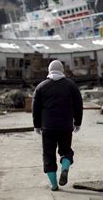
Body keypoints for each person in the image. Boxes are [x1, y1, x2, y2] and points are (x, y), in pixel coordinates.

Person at [32, 60, 83, 191]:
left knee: (48, 155)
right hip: (66, 126)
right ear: (62, 70)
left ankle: (54, 185)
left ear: (49, 70)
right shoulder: (71, 86)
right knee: (66, 150)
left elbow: (36, 109)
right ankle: (65, 168)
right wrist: (77, 122)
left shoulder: (41, 87)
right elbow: (78, 105)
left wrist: (37, 125)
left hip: (48, 127)